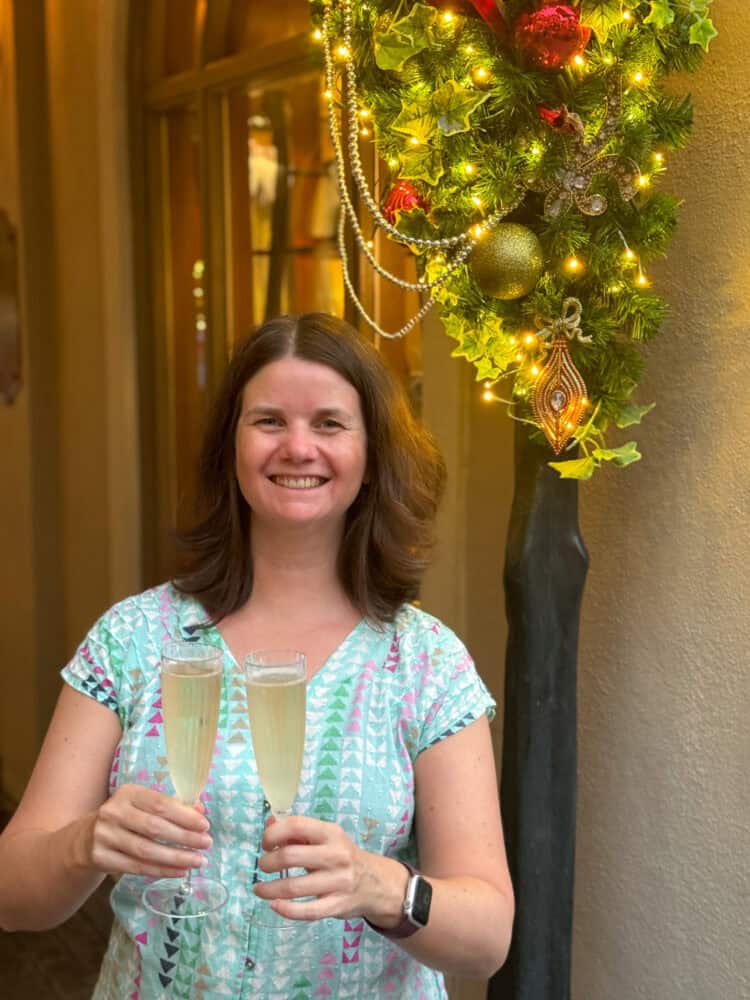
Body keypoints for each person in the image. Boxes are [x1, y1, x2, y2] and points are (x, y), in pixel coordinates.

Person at [0, 313, 514, 997]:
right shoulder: (133, 640)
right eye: (269, 421)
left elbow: (487, 939)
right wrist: (84, 842)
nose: (297, 446)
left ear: (371, 458)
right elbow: (13, 896)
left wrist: (380, 884)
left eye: (329, 423)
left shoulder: (426, 664)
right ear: (231, 448)